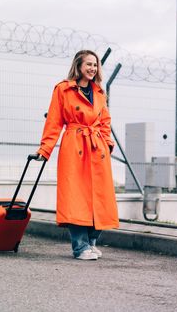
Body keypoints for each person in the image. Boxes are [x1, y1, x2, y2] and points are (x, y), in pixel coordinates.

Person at [36, 49, 119, 260]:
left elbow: (105, 122)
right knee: (76, 197)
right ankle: (80, 247)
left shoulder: (99, 92)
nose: (92, 68)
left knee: (101, 198)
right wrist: (45, 149)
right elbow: (54, 121)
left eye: (95, 65)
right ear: (79, 66)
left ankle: (91, 241)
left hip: (97, 148)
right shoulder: (63, 89)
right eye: (89, 64)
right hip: (74, 147)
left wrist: (108, 144)